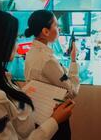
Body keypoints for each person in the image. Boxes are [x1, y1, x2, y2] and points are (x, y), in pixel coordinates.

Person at [0, 9, 75, 140]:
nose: (16, 45)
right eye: (14, 39)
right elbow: (72, 89)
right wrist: (54, 120)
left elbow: (15, 118)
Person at [24, 10, 80, 140]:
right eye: (56, 25)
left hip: (38, 116)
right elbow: (72, 91)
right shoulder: (47, 60)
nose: (59, 28)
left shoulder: (32, 53)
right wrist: (73, 61)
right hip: (54, 119)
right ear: (45, 31)